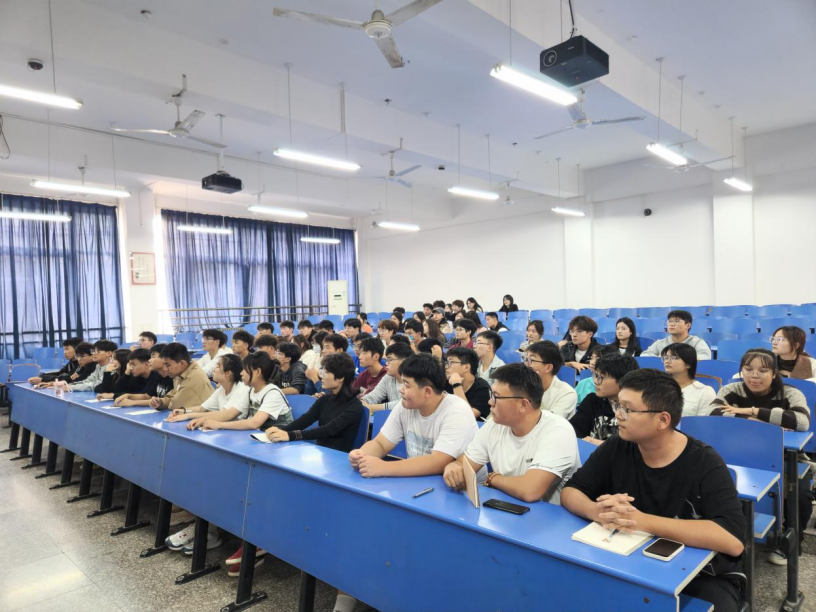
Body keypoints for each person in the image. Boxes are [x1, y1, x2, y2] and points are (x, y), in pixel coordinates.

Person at [562, 369, 746, 612]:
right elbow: (571, 491)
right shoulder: (617, 446)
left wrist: (641, 521)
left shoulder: (705, 462)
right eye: (618, 405)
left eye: (628, 409)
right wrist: (596, 511)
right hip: (629, 560)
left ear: (662, 420)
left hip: (702, 575)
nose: (618, 415)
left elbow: (732, 540)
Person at [709, 348, 811, 565]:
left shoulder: (790, 393)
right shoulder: (731, 389)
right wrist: (760, 423)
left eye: (763, 370)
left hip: (784, 457)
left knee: (800, 493)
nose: (754, 375)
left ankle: (792, 543)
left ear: (774, 373)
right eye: (748, 369)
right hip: (739, 454)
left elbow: (801, 422)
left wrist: (751, 411)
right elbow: (714, 414)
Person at [443, 363, 580, 504]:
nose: (490, 402)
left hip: (548, 514)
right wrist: (453, 467)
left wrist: (492, 478)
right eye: (491, 394)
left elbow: (530, 490)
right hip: (505, 506)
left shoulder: (558, 431)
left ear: (523, 405)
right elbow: (464, 464)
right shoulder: (494, 425)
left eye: (496, 396)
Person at [350, 353, 479, 477]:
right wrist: (362, 455)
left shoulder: (456, 412)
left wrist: (383, 467)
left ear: (427, 391)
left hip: (462, 487)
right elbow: (380, 444)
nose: (401, 390)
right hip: (418, 480)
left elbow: (438, 461)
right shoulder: (405, 406)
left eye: (406, 385)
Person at [267, 352, 364, 452]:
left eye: (326, 373)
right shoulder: (324, 399)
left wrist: (290, 435)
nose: (322, 377)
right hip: (321, 452)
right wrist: (280, 430)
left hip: (338, 456)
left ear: (340, 378)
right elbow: (305, 420)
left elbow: (329, 429)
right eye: (322, 371)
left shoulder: (354, 406)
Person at [192, 352, 292, 432]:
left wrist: (219, 425)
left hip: (281, 441)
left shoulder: (272, 393)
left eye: (244, 370)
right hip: (263, 436)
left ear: (257, 372)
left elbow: (254, 423)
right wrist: (204, 420)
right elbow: (229, 413)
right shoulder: (251, 390)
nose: (241, 373)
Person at [569, 353, 638, 445]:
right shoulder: (592, 400)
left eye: (601, 377)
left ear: (622, 380)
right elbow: (573, 431)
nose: (595, 381)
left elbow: (636, 447)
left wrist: (597, 443)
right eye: (595, 375)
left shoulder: (637, 408)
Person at [164, 353, 249, 424]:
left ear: (228, 373)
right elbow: (201, 409)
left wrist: (188, 416)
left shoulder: (241, 390)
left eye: (218, 366)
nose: (214, 369)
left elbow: (222, 415)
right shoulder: (221, 389)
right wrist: (183, 411)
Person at [149, 342, 214, 411]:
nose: (165, 368)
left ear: (182, 363)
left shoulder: (192, 378)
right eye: (164, 364)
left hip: (207, 415)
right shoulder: (180, 374)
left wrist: (165, 403)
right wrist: (160, 402)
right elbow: (174, 395)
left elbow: (174, 405)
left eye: (168, 365)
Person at [524, 341, 577, 419]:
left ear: (548, 367)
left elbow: (551, 421)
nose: (526, 364)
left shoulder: (567, 393)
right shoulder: (522, 385)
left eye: (532, 360)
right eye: (526, 359)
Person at [661, 343, 715, 416]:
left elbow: (704, 421)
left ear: (688, 364)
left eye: (674, 357)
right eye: (666, 357)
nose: (667, 361)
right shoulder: (659, 388)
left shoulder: (704, 391)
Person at [360, 342, 412, 413]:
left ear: (404, 361)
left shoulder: (413, 380)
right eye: (386, 359)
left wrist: (372, 407)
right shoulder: (388, 377)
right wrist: (362, 402)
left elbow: (404, 403)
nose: (386, 363)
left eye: (390, 359)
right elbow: (374, 395)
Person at [640, 309, 711, 360]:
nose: (672, 324)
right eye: (669, 321)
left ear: (688, 325)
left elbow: (705, 357)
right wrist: (661, 358)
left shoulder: (697, 342)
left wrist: (677, 358)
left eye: (677, 321)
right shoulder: (660, 343)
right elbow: (644, 355)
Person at [444, 347, 492, 420]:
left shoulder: (483, 388)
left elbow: (467, 416)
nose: (446, 366)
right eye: (447, 363)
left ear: (466, 367)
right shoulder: (446, 382)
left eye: (451, 362)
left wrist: (456, 384)